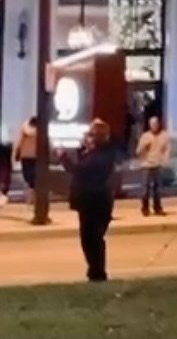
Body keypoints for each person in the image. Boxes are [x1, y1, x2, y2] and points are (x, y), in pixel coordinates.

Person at [63, 119, 119, 282]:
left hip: (96, 201)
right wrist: (83, 150)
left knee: (93, 238)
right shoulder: (95, 153)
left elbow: (79, 170)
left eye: (91, 135)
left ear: (98, 137)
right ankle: (94, 270)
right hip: (88, 200)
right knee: (88, 238)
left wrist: (63, 157)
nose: (87, 137)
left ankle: (98, 272)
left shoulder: (102, 156)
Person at [135, 115, 170, 216]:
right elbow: (138, 151)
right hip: (146, 165)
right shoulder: (145, 136)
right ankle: (145, 208)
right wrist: (144, 146)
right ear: (149, 125)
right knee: (145, 188)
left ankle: (157, 208)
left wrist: (165, 161)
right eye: (152, 124)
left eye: (155, 123)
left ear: (158, 124)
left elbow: (167, 150)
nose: (154, 126)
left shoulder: (164, 136)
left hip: (158, 164)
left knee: (157, 189)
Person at [12, 116, 38, 195]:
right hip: (36, 155)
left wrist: (16, 153)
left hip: (25, 155)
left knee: (27, 174)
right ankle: (34, 189)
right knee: (34, 174)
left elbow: (19, 142)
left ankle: (32, 189)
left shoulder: (24, 129)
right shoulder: (40, 130)